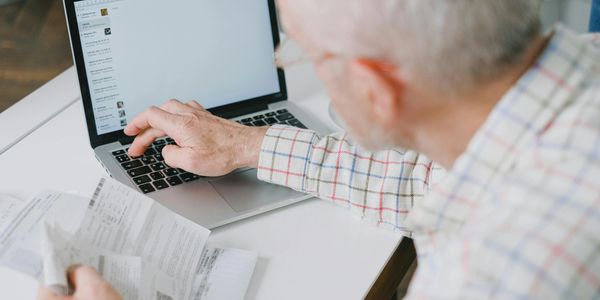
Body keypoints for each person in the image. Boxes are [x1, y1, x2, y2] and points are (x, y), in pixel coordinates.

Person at [40, 0, 600, 299]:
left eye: (306, 54)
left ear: (377, 90)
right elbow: (434, 179)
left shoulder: (492, 277)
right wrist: (248, 143)